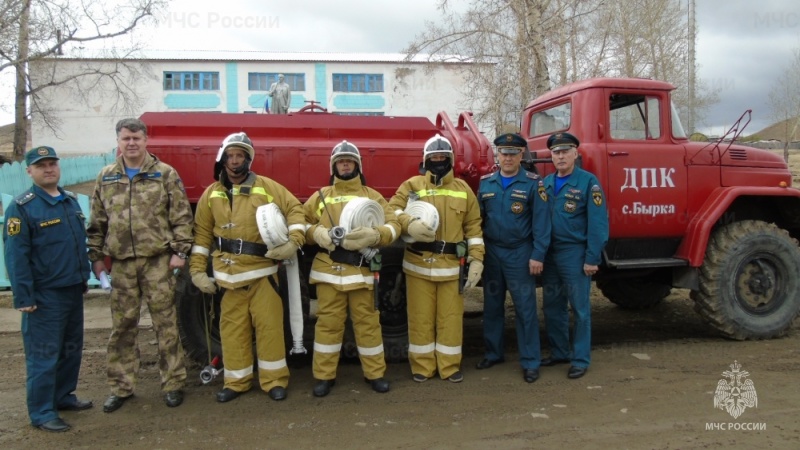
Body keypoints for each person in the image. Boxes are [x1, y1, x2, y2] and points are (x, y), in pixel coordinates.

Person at [189, 132, 305, 403]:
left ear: (249, 159)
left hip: (263, 277)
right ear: (223, 158)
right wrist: (196, 270)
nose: (235, 160)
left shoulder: (267, 187)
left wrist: (293, 242)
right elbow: (202, 236)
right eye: (231, 155)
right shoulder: (211, 194)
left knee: (270, 330)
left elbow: (296, 211)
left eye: (240, 155)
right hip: (228, 281)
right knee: (232, 333)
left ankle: (274, 381)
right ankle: (236, 381)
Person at [87, 118, 193, 412]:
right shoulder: (106, 177)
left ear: (146, 141)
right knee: (122, 328)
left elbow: (182, 217)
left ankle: (173, 383)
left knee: (166, 325)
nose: (131, 143)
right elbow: (97, 223)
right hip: (121, 265)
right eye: (125, 138)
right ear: (118, 142)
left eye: (136, 138)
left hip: (157, 262)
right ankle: (121, 387)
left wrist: (180, 253)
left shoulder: (165, 174)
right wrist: (96, 259)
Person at [3, 146, 92, 432]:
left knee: (70, 349)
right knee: (44, 354)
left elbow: (78, 245)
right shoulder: (22, 207)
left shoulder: (70, 201)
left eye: (52, 163)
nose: (49, 169)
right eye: (41, 165)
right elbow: (16, 256)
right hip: (44, 296)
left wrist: (83, 278)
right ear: (30, 171)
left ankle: (63, 396)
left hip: (71, 290)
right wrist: (24, 297)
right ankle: (42, 412)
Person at [304, 141, 400, 397]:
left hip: (361, 272)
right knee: (327, 326)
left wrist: (375, 234)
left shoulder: (372, 196)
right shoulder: (320, 196)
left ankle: (375, 374)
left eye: (349, 161)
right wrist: (317, 233)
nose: (345, 164)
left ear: (357, 165)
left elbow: (394, 226)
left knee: (368, 324)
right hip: (329, 270)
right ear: (334, 166)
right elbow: (300, 224)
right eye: (340, 161)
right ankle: (324, 377)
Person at [389, 134, 484, 383]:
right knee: (420, 319)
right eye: (433, 158)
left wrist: (477, 260)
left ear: (451, 159)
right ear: (425, 160)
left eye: (443, 157)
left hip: (452, 268)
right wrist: (409, 224)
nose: (438, 161)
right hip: (417, 265)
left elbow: (474, 226)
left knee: (451, 320)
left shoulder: (463, 190)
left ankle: (450, 366)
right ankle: (422, 367)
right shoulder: (412, 186)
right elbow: (392, 210)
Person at [475, 133, 551, 383]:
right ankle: (493, 353)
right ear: (497, 155)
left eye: (513, 153)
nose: (507, 158)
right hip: (493, 253)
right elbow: (478, 221)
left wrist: (537, 254)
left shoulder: (533, 183)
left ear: (521, 155)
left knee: (525, 309)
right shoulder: (486, 183)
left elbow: (542, 223)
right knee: (492, 306)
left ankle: (530, 361)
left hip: (521, 254)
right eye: (503, 153)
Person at [540, 132, 609, 379]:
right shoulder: (546, 183)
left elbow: (599, 224)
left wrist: (592, 258)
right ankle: (560, 352)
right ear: (551, 155)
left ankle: (580, 359)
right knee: (552, 306)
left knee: (580, 309)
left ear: (575, 153)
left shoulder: (588, 183)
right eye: (556, 152)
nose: (560, 156)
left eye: (565, 151)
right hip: (550, 255)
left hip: (575, 254)